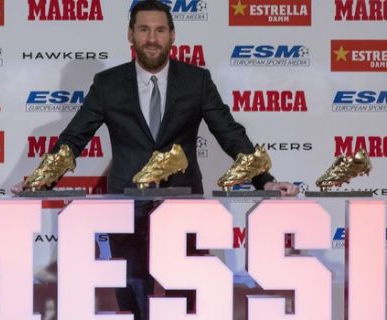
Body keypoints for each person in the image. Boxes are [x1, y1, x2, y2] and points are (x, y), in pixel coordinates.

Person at [23, 0, 299, 318]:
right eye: (143, 30)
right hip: (127, 206)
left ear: (172, 35)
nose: (152, 38)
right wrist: (41, 179)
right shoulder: (108, 84)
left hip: (183, 206)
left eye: (159, 30)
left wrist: (264, 179)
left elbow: (230, 134)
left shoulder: (197, 81)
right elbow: (74, 138)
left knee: (185, 300)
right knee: (132, 295)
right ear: (130, 35)